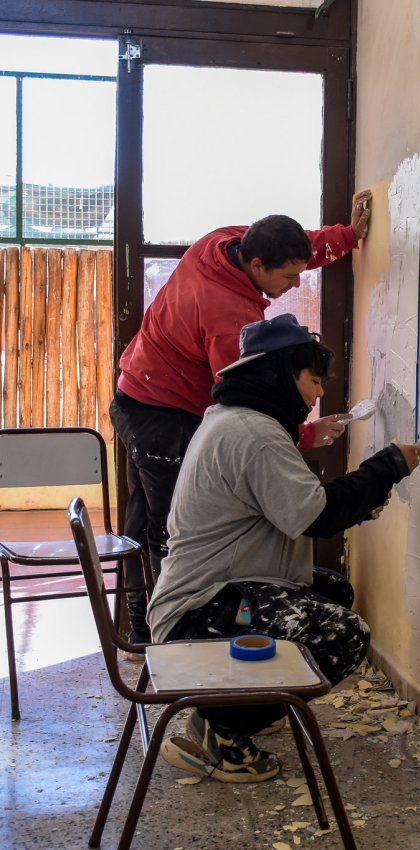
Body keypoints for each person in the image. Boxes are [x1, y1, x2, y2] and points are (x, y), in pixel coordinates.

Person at [147, 313, 420, 783]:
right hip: (198, 613)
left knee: (332, 592)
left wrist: (355, 503)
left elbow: (293, 507)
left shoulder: (236, 421)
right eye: (313, 380)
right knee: (346, 635)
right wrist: (390, 465)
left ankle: (238, 705)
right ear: (280, 372)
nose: (318, 394)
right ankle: (220, 733)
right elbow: (317, 515)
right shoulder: (254, 434)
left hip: (213, 592)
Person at [109, 192, 372, 645]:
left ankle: (139, 630)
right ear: (255, 265)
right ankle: (162, 638)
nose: (295, 283)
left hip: (137, 389)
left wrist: (345, 237)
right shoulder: (229, 318)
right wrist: (306, 435)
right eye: (288, 276)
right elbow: (250, 409)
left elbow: (296, 244)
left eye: (298, 271)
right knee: (166, 525)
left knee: (144, 515)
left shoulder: (224, 242)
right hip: (162, 410)